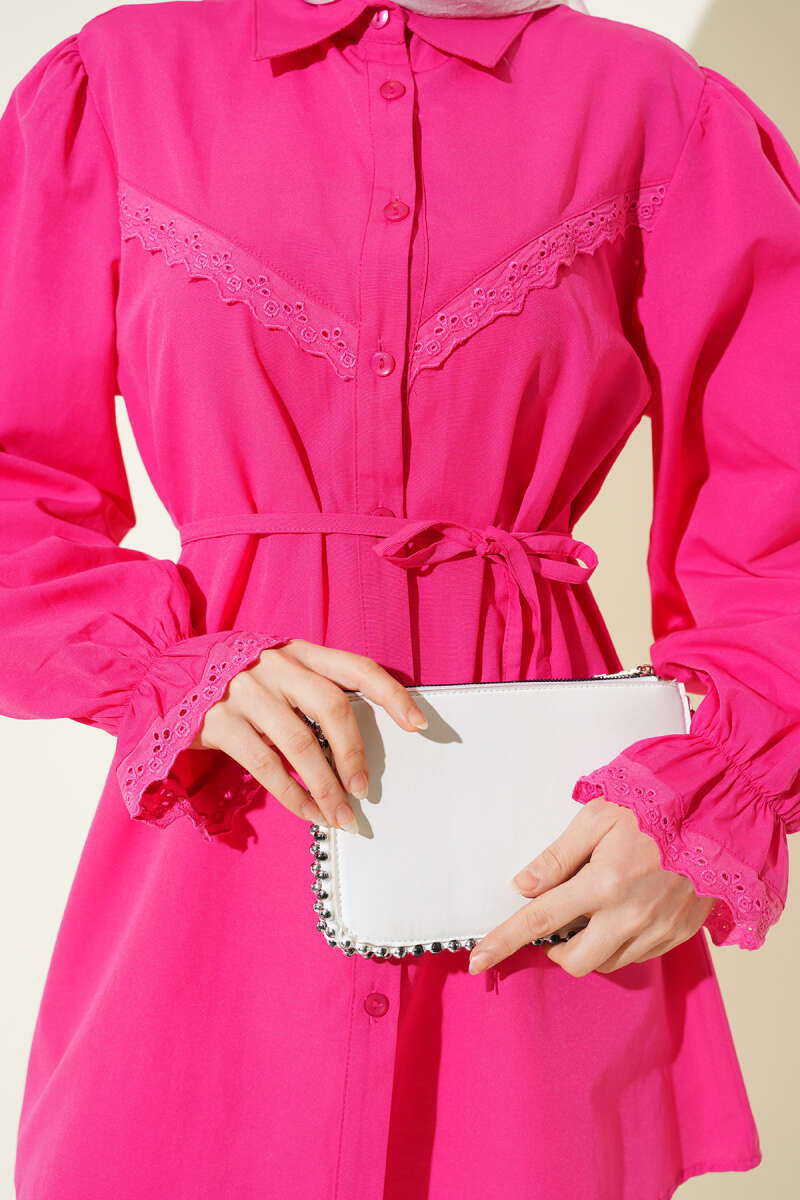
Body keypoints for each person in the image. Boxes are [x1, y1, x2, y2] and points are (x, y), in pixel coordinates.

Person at [2, 0, 799, 1195]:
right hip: (217, 858)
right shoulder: (116, 87)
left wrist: (714, 789)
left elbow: (779, 511)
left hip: (540, 869)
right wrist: (165, 671)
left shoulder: (656, 110)